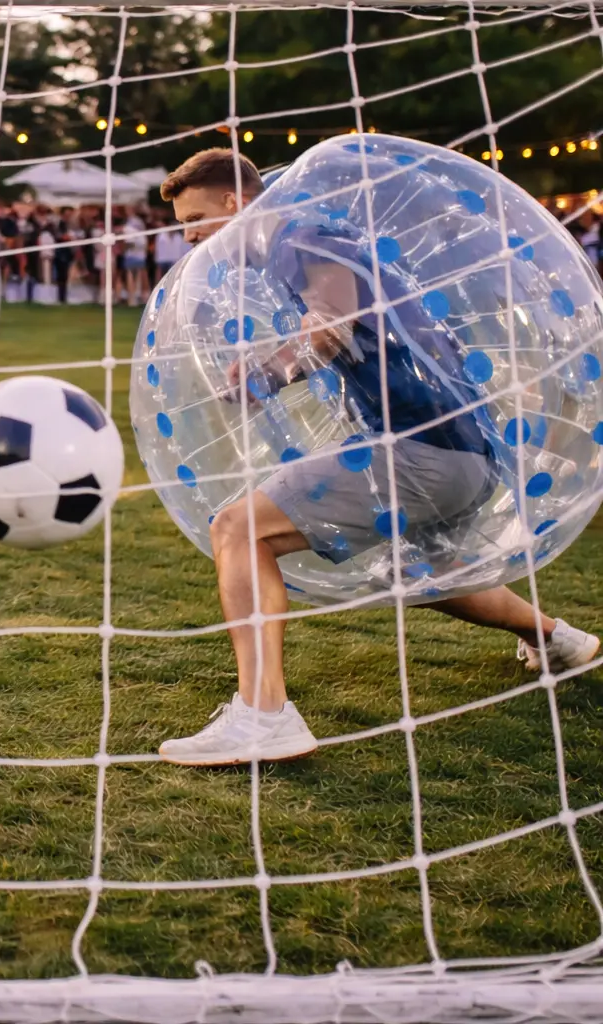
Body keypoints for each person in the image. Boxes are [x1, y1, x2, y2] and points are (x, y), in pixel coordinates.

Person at [155, 147, 599, 766]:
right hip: (464, 455)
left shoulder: (297, 237)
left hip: (420, 451)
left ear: (235, 202)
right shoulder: (315, 239)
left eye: (195, 219)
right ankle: (557, 640)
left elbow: (334, 323)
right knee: (427, 574)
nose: (191, 237)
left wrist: (265, 376)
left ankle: (263, 715)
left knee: (239, 528)